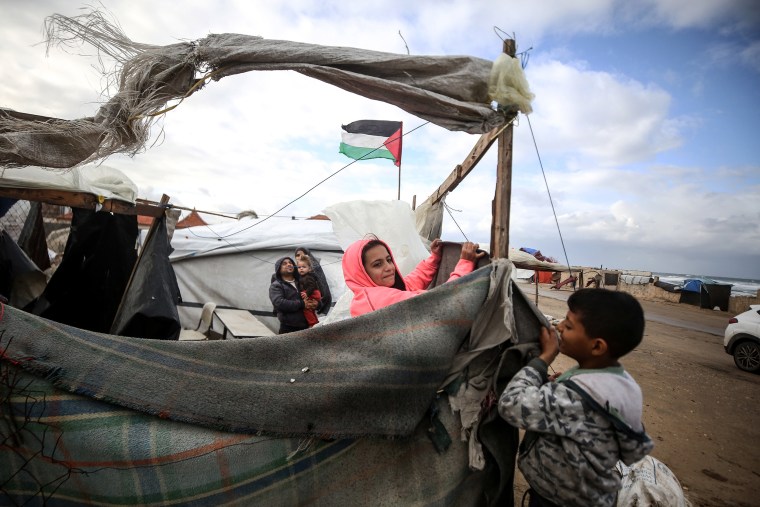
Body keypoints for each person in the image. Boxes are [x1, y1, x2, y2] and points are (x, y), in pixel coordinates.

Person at [498, 289, 654, 507]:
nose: (559, 327)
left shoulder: (575, 396)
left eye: (569, 326)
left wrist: (542, 360)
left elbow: (510, 404)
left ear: (597, 346)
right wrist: (561, 387)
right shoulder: (623, 384)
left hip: (557, 499)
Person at [342, 235, 486, 317]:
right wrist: (465, 263)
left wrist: (433, 259)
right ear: (361, 273)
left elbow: (409, 285)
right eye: (377, 264)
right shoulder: (378, 298)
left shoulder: (368, 295)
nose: (389, 267)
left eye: (389, 260)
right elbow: (441, 299)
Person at [269, 257, 317, 334]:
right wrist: (302, 304)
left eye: (290, 263)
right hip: (288, 328)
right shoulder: (276, 285)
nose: (289, 264)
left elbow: (315, 293)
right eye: (284, 263)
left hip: (307, 326)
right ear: (278, 269)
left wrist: (316, 303)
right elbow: (279, 303)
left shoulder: (302, 281)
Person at [295, 246, 332, 315]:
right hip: (303, 302)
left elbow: (322, 284)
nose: (300, 257)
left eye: (302, 254)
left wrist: (320, 301)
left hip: (317, 300)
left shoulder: (314, 266)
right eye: (297, 255)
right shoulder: (296, 270)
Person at [296, 255, 322, 327]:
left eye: (303, 267)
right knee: (311, 309)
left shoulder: (308, 277)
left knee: (306, 308)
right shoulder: (303, 277)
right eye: (299, 267)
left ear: (309, 269)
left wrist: (306, 293)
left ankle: (312, 323)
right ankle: (316, 322)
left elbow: (312, 286)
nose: (301, 269)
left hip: (313, 293)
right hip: (311, 293)